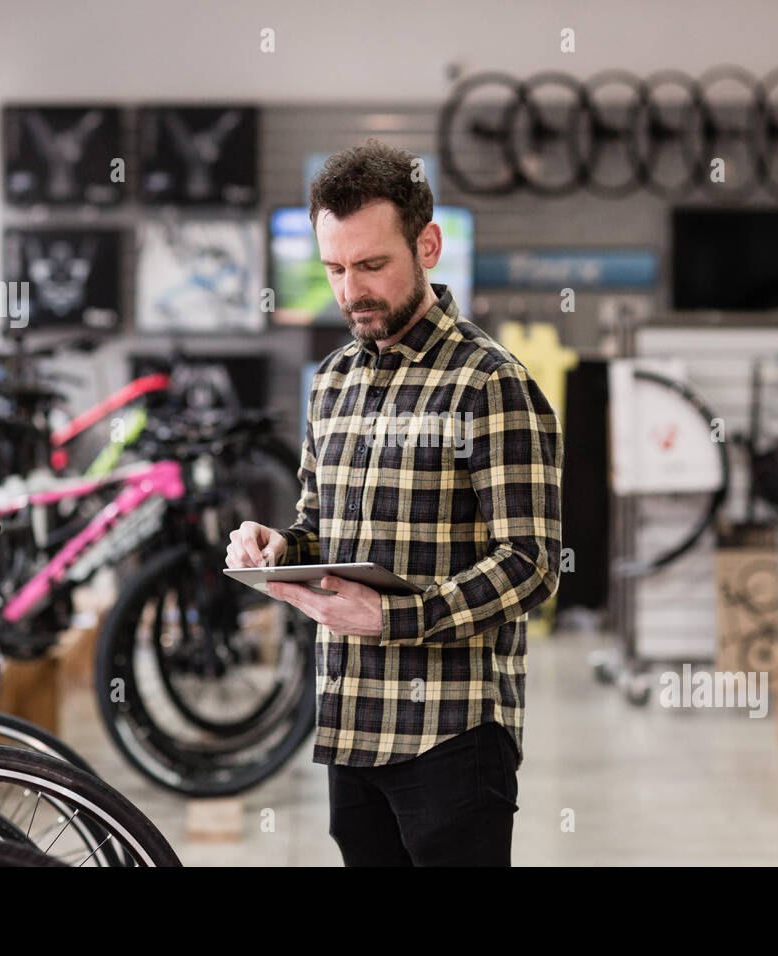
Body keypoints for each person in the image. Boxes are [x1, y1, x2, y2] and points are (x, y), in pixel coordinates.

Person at [225, 138, 563, 866]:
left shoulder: (488, 384)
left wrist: (393, 616)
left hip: (454, 735)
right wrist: (280, 550)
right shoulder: (331, 381)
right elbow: (321, 528)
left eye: (372, 265)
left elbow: (532, 563)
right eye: (335, 269)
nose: (351, 292)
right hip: (350, 724)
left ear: (428, 245)